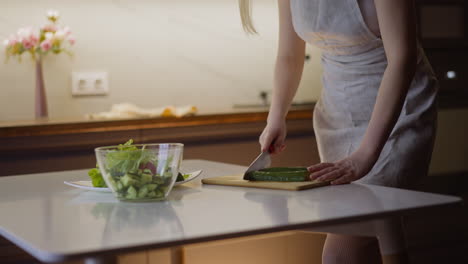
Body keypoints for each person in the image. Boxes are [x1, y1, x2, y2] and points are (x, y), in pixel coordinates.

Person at [239, 0, 438, 263]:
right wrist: (276, 117)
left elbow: (402, 59)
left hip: (398, 111)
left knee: (341, 251)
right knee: (384, 224)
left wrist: (365, 155)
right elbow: (289, 55)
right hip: (338, 113)